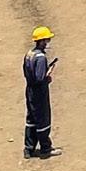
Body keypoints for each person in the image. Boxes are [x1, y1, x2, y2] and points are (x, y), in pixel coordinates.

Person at [22, 25, 56, 157]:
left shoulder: (29, 55)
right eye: (46, 40)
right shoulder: (41, 57)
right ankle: (45, 148)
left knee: (31, 118)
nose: (47, 43)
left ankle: (28, 148)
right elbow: (40, 78)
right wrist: (48, 76)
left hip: (29, 91)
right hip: (39, 93)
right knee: (42, 119)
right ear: (41, 41)